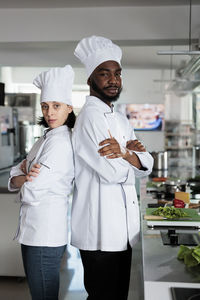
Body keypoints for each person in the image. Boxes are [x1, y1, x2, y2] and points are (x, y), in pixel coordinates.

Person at [71, 35, 154, 300]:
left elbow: (146, 164)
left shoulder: (119, 117)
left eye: (117, 74)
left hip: (122, 230)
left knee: (117, 295)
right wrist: (130, 159)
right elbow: (113, 173)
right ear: (90, 79)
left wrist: (126, 154)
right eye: (104, 74)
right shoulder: (89, 118)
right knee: (103, 296)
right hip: (99, 230)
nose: (113, 80)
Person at [8, 65, 75, 300]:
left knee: (44, 295)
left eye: (56, 106)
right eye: (45, 106)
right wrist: (24, 178)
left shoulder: (60, 143)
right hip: (32, 232)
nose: (50, 113)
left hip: (44, 235)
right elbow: (17, 174)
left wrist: (23, 181)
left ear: (69, 107)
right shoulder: (44, 139)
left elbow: (31, 191)